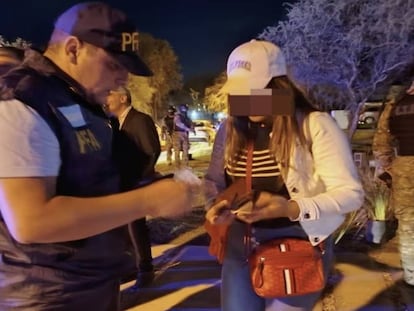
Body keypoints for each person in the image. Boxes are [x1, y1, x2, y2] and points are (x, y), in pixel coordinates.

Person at [0, 2, 195, 310]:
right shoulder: (21, 99)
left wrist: (156, 187)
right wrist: (149, 200)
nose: (123, 79)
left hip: (90, 288)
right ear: (74, 49)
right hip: (46, 298)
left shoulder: (78, 103)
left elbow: (90, 186)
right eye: (114, 65)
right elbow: (31, 221)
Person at [204, 39, 364, 311]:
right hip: (240, 244)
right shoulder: (229, 129)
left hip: (296, 245)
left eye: (256, 90)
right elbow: (213, 182)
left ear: (279, 86)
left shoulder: (315, 125)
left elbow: (351, 194)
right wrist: (214, 205)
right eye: (241, 91)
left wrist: (289, 207)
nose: (248, 100)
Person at [105, 86, 161, 289]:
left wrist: (141, 178)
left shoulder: (140, 120)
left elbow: (152, 151)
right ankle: (130, 267)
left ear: (123, 98)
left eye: (109, 94)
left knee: (136, 227)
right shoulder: (113, 122)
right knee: (123, 228)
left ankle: (145, 268)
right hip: (119, 184)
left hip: (135, 183)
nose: (106, 98)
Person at [372, 81, 414, 286]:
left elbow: (381, 144)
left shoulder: (396, 105)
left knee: (407, 225)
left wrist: (391, 169)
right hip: (403, 168)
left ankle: (412, 277)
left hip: (405, 168)